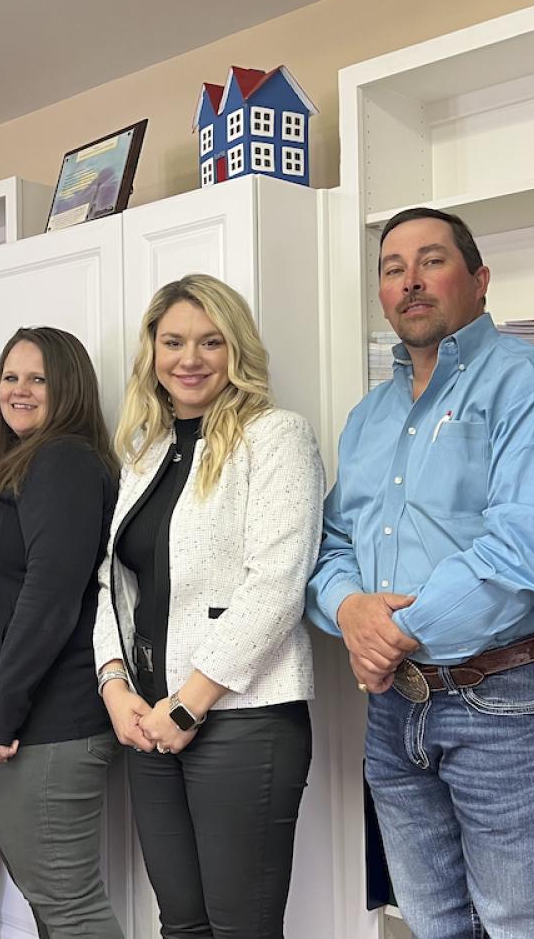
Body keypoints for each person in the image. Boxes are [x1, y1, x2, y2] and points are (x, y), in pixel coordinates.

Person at [307, 207, 534, 938]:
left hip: (516, 704)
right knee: (433, 923)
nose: (410, 280)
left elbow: (528, 554)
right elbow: (330, 544)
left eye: (431, 261)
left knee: (527, 927)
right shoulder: (368, 416)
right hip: (395, 714)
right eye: (392, 268)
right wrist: (351, 612)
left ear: (478, 280)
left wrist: (388, 634)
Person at [93, 274, 323, 938]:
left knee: (240, 928)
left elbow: (277, 583)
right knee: (182, 925)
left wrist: (191, 702)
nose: (189, 359)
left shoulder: (276, 436)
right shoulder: (144, 449)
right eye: (173, 342)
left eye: (209, 341)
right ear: (152, 353)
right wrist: (115, 686)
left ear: (236, 351)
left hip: (240, 717)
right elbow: (112, 583)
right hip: (148, 718)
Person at [0, 327, 122, 939]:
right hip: (17, 714)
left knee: (70, 906)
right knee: (53, 904)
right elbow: (1, 590)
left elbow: (50, 599)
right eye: (10, 376)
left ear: (70, 389)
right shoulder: (22, 463)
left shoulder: (64, 461)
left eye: (38, 379)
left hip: (47, 722)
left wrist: (0, 713)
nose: (19, 390)